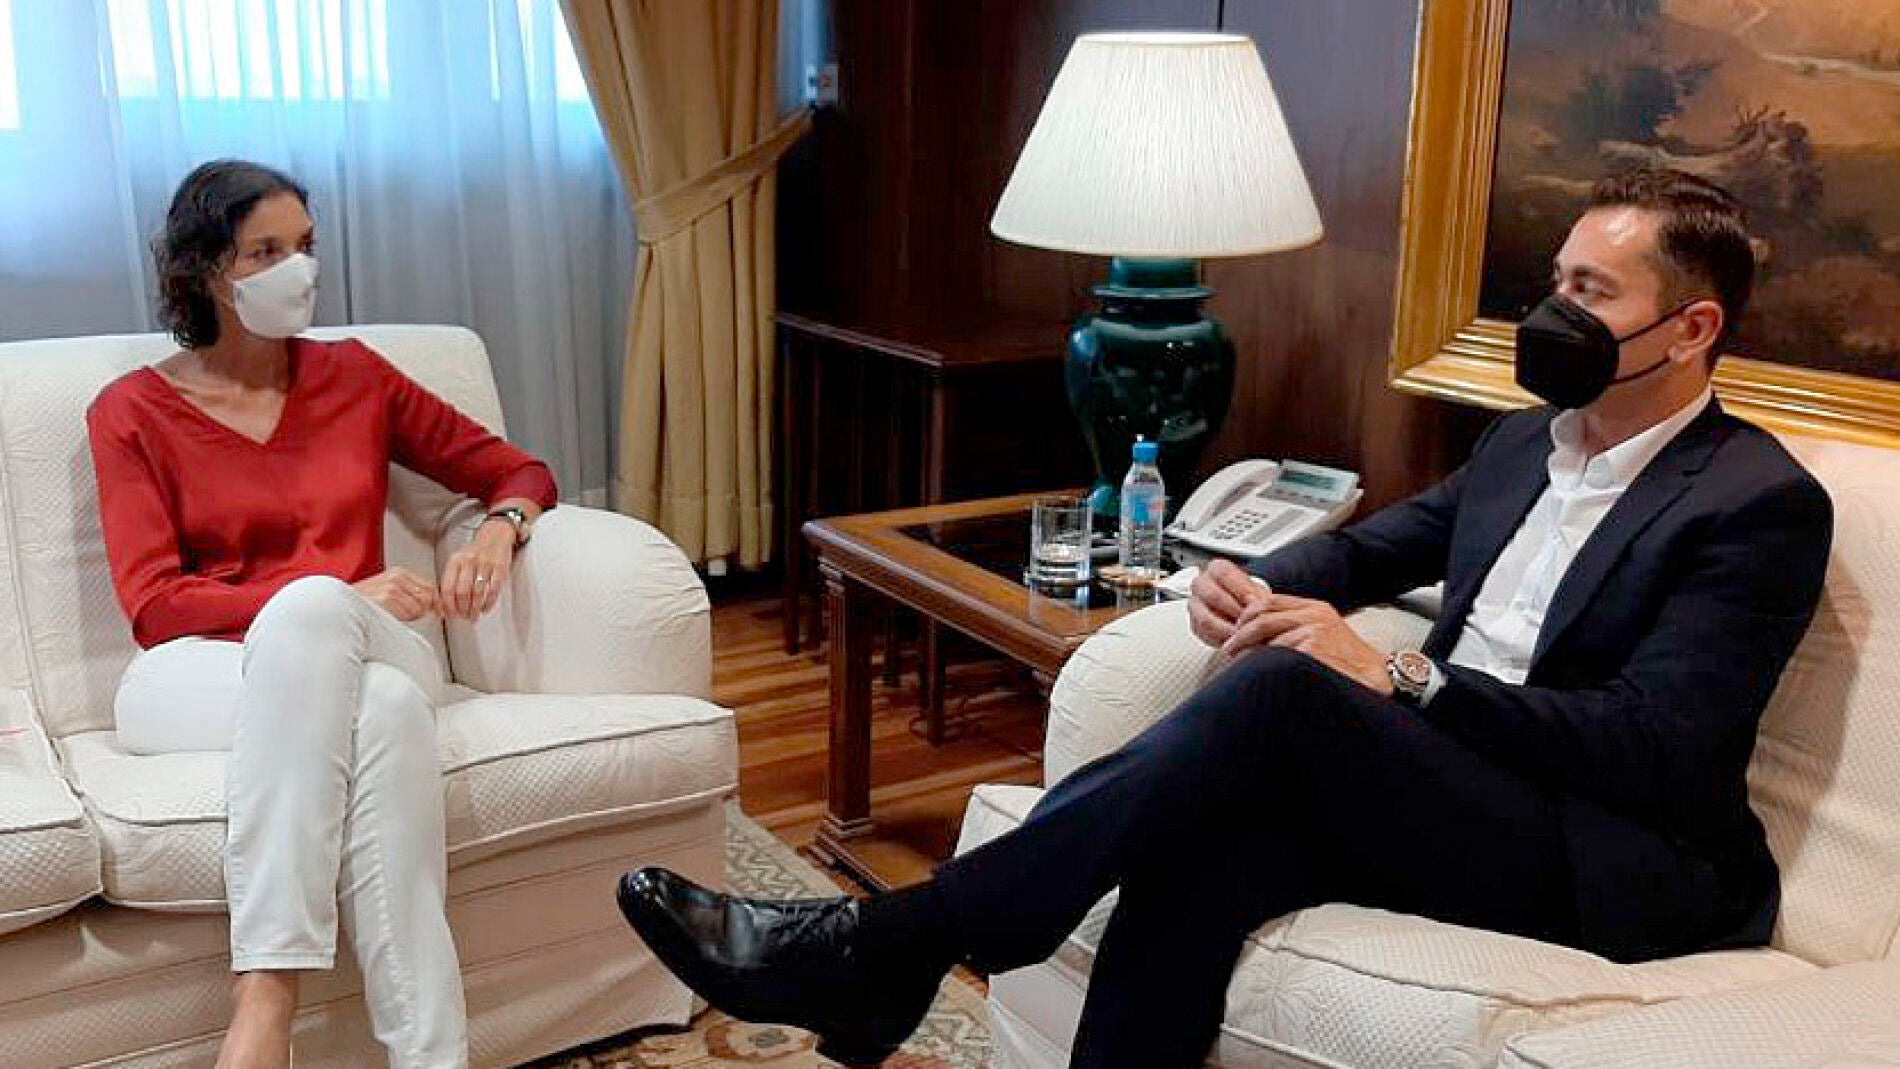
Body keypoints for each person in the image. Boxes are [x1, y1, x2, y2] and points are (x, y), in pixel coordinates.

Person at [614, 168, 1833, 1068]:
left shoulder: (1755, 502)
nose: (1550, 312)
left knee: (1293, 687)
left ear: (1691, 329)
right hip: (1457, 784)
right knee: (1198, 848)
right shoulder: (1526, 443)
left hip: (1601, 846)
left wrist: (1404, 679)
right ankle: (891, 961)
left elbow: (1655, 747)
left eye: (1588, 292)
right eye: (1553, 281)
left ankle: (886, 944)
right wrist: (1247, 576)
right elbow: (1369, 546)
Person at [87, 160, 557, 1069]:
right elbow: (153, 603)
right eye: (265, 252)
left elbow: (516, 468)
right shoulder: (130, 411)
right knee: (377, 704)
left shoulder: (355, 377)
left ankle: (265, 1003)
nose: (297, 269)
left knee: (342, 643)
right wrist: (333, 594)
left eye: (304, 246)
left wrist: (503, 529)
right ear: (206, 271)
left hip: (369, 645)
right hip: (194, 675)